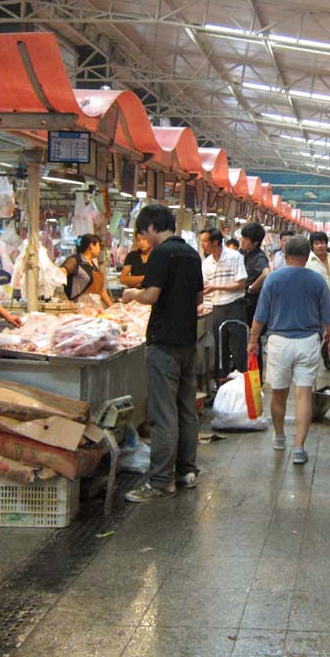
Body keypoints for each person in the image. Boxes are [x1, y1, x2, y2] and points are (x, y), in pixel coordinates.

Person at [122, 205, 204, 501]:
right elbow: (198, 297)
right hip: (187, 342)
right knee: (185, 408)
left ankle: (160, 481)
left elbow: (151, 295)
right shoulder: (192, 254)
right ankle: (186, 471)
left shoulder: (161, 254)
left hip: (164, 343)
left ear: (153, 227)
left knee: (163, 413)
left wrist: (132, 294)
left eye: (143, 232)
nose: (144, 238)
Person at [248, 236, 330, 465]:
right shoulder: (317, 280)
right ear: (308, 256)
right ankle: (299, 448)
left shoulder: (273, 279)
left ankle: (279, 437)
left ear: (285, 254)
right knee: (303, 394)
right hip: (308, 341)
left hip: (279, 342)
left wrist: (253, 340)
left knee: (279, 393)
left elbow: (261, 315)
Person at [200, 227, 248, 377]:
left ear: (215, 242)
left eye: (204, 241)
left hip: (235, 307)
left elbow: (241, 284)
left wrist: (216, 287)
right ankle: (221, 383)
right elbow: (205, 287)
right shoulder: (206, 263)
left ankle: (241, 384)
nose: (202, 244)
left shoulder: (234, 257)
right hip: (216, 309)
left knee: (238, 347)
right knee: (220, 350)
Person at [61, 234, 113, 308]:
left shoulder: (93, 266)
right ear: (91, 245)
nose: (99, 249)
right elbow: (61, 273)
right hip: (77, 309)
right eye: (98, 246)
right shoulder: (75, 261)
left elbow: (101, 291)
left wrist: (112, 307)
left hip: (93, 309)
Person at [239, 222, 269, 327]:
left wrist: (252, 287)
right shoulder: (242, 253)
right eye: (242, 237)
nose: (242, 241)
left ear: (256, 242)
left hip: (252, 302)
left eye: (246, 239)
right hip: (242, 300)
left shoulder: (259, 257)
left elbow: (266, 273)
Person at [305, 231, 330, 298]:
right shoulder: (307, 262)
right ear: (312, 246)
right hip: (314, 301)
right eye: (316, 244)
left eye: (322, 243)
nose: (320, 246)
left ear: (326, 244)